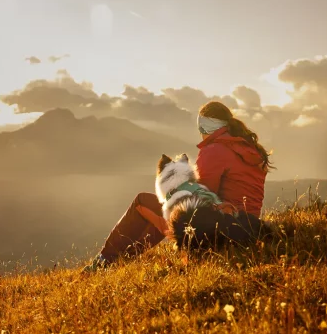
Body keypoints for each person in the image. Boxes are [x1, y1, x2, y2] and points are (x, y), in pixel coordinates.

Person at [85, 101, 272, 270]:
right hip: (246, 223)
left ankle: (104, 260)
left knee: (143, 202)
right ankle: (118, 261)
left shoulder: (214, 150)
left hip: (217, 226)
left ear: (205, 126)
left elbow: (201, 196)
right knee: (164, 211)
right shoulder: (249, 148)